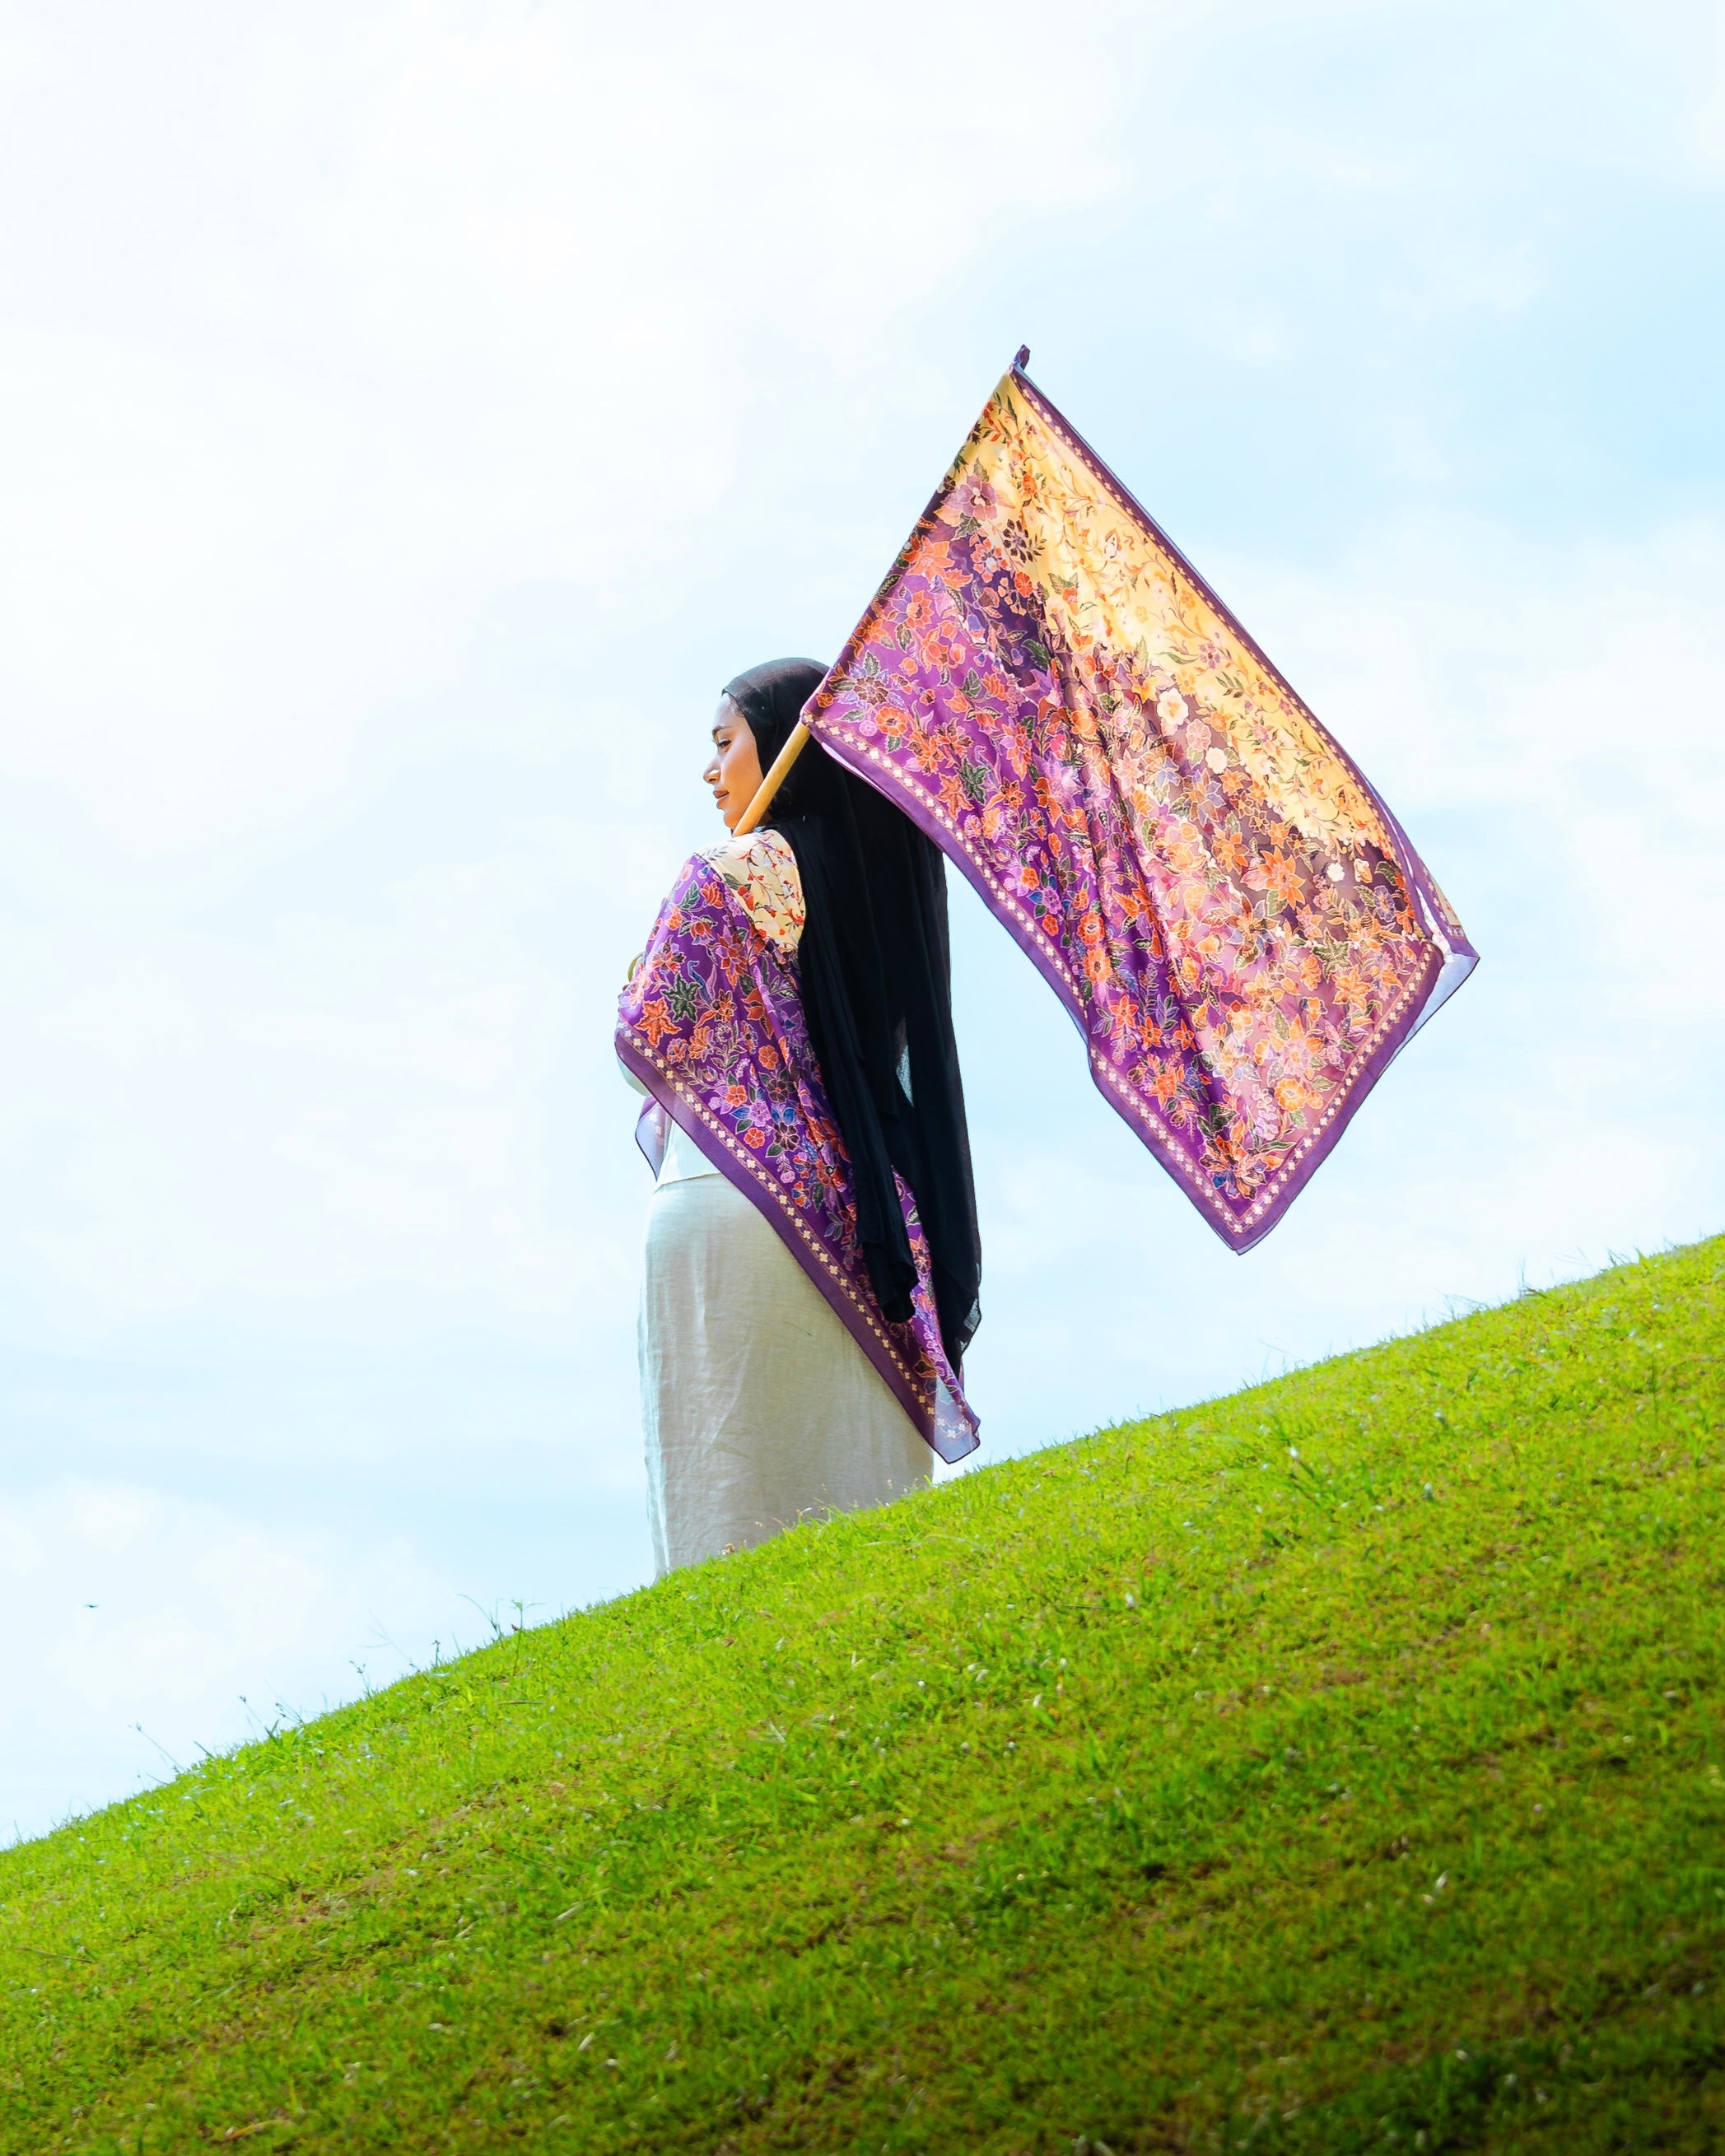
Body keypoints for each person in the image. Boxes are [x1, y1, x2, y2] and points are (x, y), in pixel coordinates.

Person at [617, 658, 981, 1577]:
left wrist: (639, 970)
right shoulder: (879, 899)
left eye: (725, 743)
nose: (711, 772)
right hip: (867, 1217)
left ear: (782, 746)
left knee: (728, 1500)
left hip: (732, 1194)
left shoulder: (724, 874)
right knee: (860, 1514)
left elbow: (645, 1035)